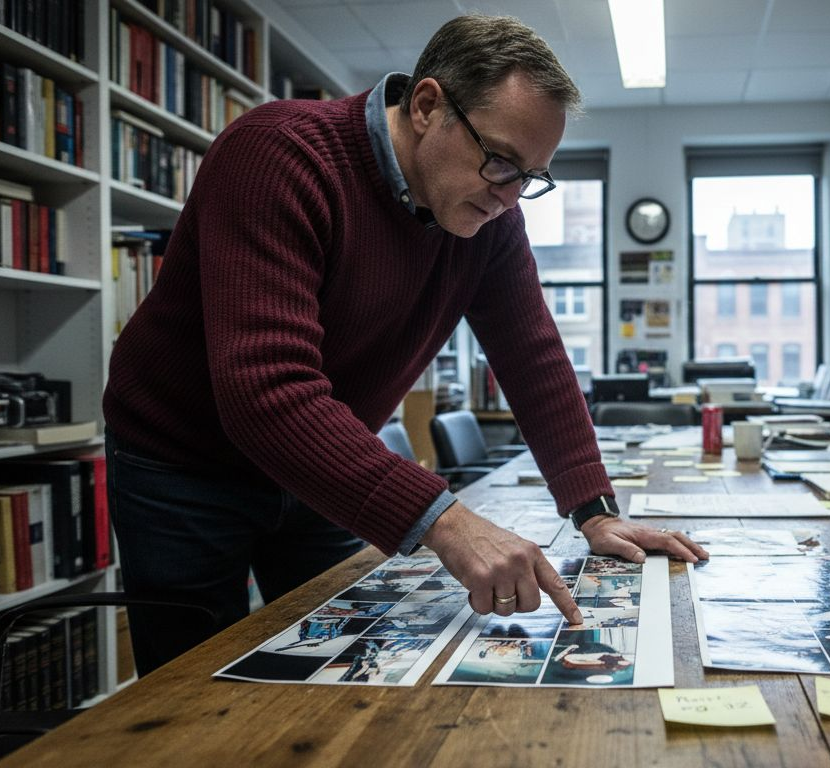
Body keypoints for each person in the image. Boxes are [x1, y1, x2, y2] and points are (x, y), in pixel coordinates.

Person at [102, 14, 708, 674]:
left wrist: (594, 511)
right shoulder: (278, 154)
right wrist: (447, 521)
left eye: (530, 176)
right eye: (500, 160)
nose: (509, 197)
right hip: (182, 459)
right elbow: (265, 390)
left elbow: (533, 358)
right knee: (192, 682)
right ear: (426, 105)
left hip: (318, 457)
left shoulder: (488, 217)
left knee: (344, 665)